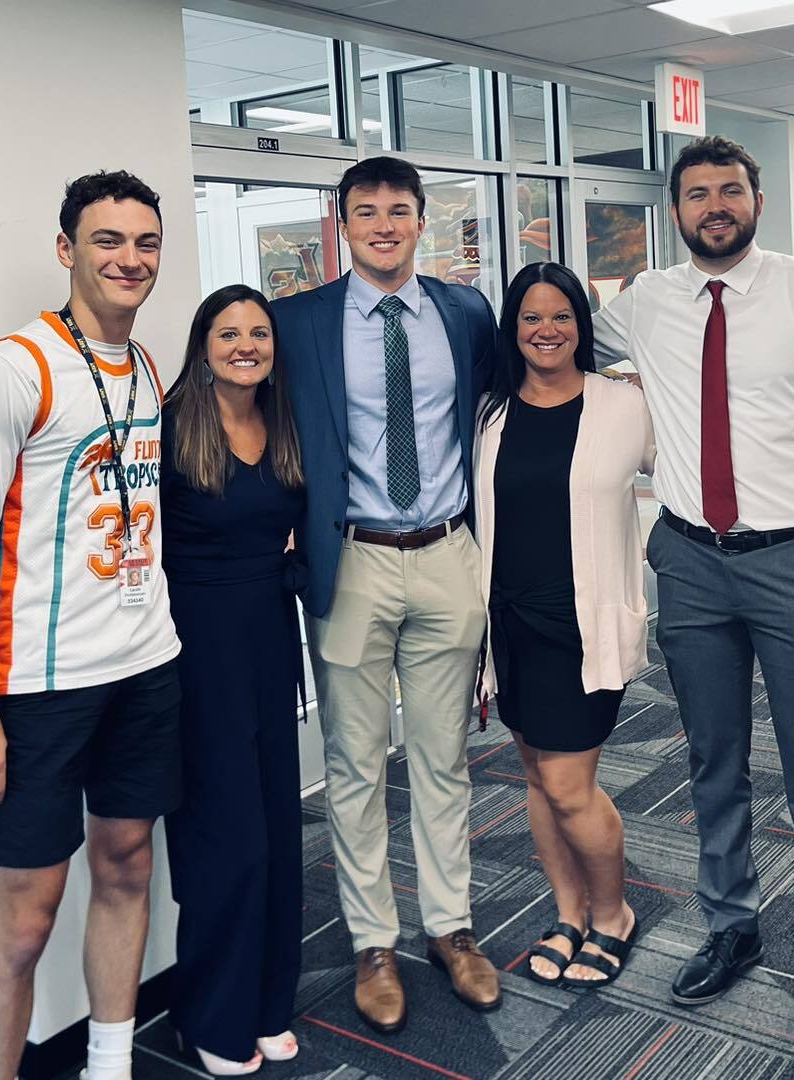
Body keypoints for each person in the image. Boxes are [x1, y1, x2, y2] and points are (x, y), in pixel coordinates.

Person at [593, 135, 794, 1052]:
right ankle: (731, 924)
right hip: (689, 564)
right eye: (696, 194)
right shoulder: (646, 302)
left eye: (729, 190)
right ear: (675, 212)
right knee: (712, 760)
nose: (714, 206)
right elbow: (547, 333)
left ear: (756, 199)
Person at [0, 170, 181, 1080]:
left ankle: (106, 1066)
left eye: (145, 243)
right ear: (68, 249)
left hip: (147, 667)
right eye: (107, 241)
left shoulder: (147, 367)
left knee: (126, 868)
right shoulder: (12, 369)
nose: (129, 258)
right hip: (39, 690)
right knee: (27, 916)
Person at [272, 156, 499, 1033]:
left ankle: (452, 926)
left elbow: (498, 408)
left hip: (447, 553)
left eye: (399, 211)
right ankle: (373, 940)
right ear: (343, 221)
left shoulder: (464, 311)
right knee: (355, 764)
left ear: (421, 221)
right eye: (365, 211)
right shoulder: (297, 322)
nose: (383, 225)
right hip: (351, 561)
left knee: (443, 758)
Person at [474, 262, 654, 990]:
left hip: (583, 626)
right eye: (530, 318)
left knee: (568, 781)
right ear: (512, 329)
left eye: (561, 317)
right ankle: (569, 910)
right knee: (536, 778)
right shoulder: (488, 412)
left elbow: (687, 469)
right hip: (509, 623)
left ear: (583, 326)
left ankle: (613, 915)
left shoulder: (624, 404)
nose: (546, 330)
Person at [160, 285, 306, 1076]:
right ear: (202, 343)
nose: (245, 344)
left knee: (279, 832)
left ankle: (265, 1003)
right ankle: (209, 1015)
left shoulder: (281, 418)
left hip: (267, 639)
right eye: (228, 332)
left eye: (258, 332)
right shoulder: (174, 421)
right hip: (196, 647)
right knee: (227, 842)